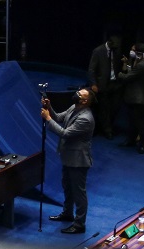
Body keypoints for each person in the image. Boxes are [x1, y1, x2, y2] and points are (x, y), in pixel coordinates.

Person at [44, 87, 95, 234]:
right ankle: (67, 213)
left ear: (85, 101)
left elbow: (65, 133)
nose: (77, 93)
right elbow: (59, 117)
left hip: (78, 160)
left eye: (80, 94)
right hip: (68, 156)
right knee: (67, 187)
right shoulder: (74, 107)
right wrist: (49, 107)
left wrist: (47, 118)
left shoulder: (86, 118)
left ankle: (79, 224)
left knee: (79, 193)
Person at [117, 42, 144, 154]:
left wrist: (117, 74)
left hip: (139, 98)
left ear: (139, 52)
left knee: (139, 123)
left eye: (133, 50)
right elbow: (133, 73)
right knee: (132, 121)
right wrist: (128, 64)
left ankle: (143, 143)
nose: (131, 51)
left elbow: (128, 77)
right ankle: (131, 140)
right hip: (136, 96)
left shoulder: (142, 65)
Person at [88, 34, 122, 138]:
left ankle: (108, 126)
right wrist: (93, 83)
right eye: (115, 47)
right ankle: (107, 130)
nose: (116, 49)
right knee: (104, 108)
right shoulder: (98, 51)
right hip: (102, 85)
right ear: (109, 43)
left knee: (115, 107)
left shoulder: (116, 50)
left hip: (114, 84)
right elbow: (91, 69)